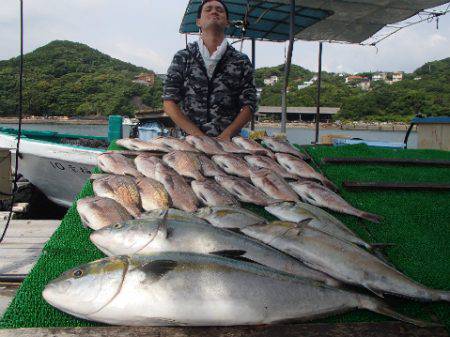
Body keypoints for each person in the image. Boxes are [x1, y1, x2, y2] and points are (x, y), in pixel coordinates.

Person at [163, 0, 256, 140]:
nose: (214, 11)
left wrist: (227, 135)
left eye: (219, 10)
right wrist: (198, 136)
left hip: (228, 144)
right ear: (198, 22)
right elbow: (169, 101)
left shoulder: (241, 61)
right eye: (208, 9)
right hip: (190, 142)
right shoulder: (183, 57)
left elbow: (250, 104)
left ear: (227, 22)